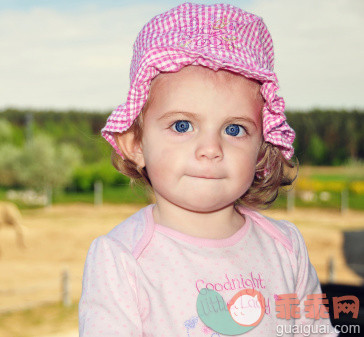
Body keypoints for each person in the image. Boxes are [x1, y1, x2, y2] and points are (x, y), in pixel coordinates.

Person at [79, 3, 337, 336]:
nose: (211, 149)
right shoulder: (121, 258)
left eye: (234, 129)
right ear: (136, 143)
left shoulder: (286, 247)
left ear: (261, 148)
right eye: (182, 125)